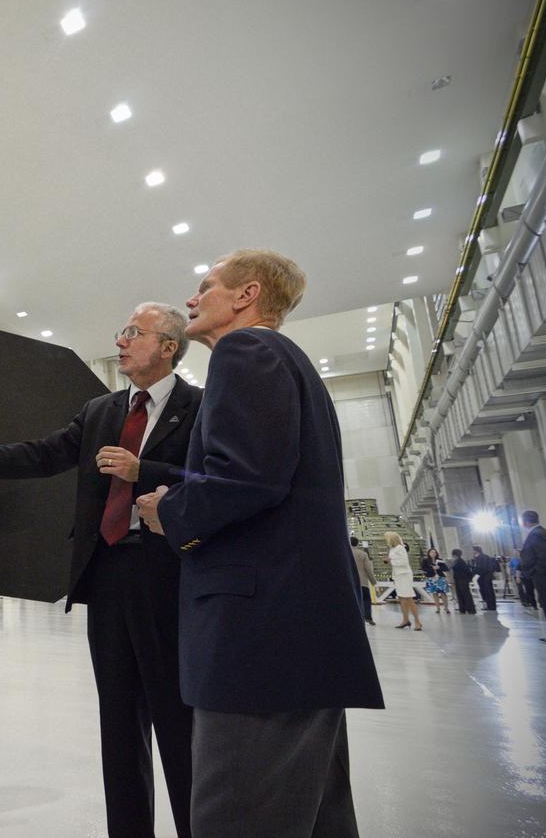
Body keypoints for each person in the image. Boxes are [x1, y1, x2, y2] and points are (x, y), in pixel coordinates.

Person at [0, 301, 201, 838]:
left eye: (133, 333)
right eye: (121, 331)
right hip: (106, 574)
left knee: (178, 722)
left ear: (168, 347)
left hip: (171, 579)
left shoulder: (201, 407)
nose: (120, 341)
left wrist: (147, 471)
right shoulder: (101, 410)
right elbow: (42, 455)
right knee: (118, 722)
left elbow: (211, 477)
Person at [136, 250, 382, 838]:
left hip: (258, 641)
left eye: (205, 287)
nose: (192, 300)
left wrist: (167, 509)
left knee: (236, 815)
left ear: (246, 295)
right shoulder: (289, 363)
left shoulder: (248, 351)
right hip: (297, 638)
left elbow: (246, 478)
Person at [517, 510, 546, 644]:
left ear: (525, 522)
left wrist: (535, 571)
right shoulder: (540, 532)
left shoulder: (536, 535)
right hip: (544, 576)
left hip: (545, 577)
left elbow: (545, 557)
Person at [387, 533, 422, 630]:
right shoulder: (392, 549)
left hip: (404, 575)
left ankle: (417, 621)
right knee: (402, 598)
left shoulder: (400, 548)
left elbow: (404, 562)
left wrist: (391, 561)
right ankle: (405, 620)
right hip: (398, 575)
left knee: (408, 598)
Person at [350, 536, 376, 625]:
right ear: (357, 543)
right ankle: (368, 617)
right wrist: (373, 581)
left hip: (350, 582)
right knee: (366, 600)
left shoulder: (346, 554)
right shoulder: (363, 554)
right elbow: (368, 569)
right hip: (362, 582)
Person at [421, 548, 450, 614]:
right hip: (431, 578)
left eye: (434, 552)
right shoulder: (425, 560)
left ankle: (446, 608)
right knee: (434, 593)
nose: (433, 554)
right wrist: (432, 569)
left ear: (436, 553)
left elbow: (446, 568)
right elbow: (423, 568)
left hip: (440, 578)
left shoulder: (440, 560)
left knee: (443, 593)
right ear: (428, 553)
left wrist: (439, 567)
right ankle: (438, 608)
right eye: (431, 552)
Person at [471, 545, 498, 611]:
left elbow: (481, 568)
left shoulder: (481, 557)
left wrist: (473, 573)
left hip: (484, 577)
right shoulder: (484, 556)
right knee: (488, 591)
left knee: (487, 591)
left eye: (473, 550)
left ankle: (490, 606)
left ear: (476, 550)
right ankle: (491, 605)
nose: (472, 552)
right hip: (486, 576)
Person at [451, 549, 476, 614]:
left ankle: (470, 609)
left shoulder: (460, 562)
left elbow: (465, 571)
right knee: (460, 594)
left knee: (466, 594)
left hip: (462, 580)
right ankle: (463, 608)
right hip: (459, 580)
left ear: (455, 555)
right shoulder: (458, 561)